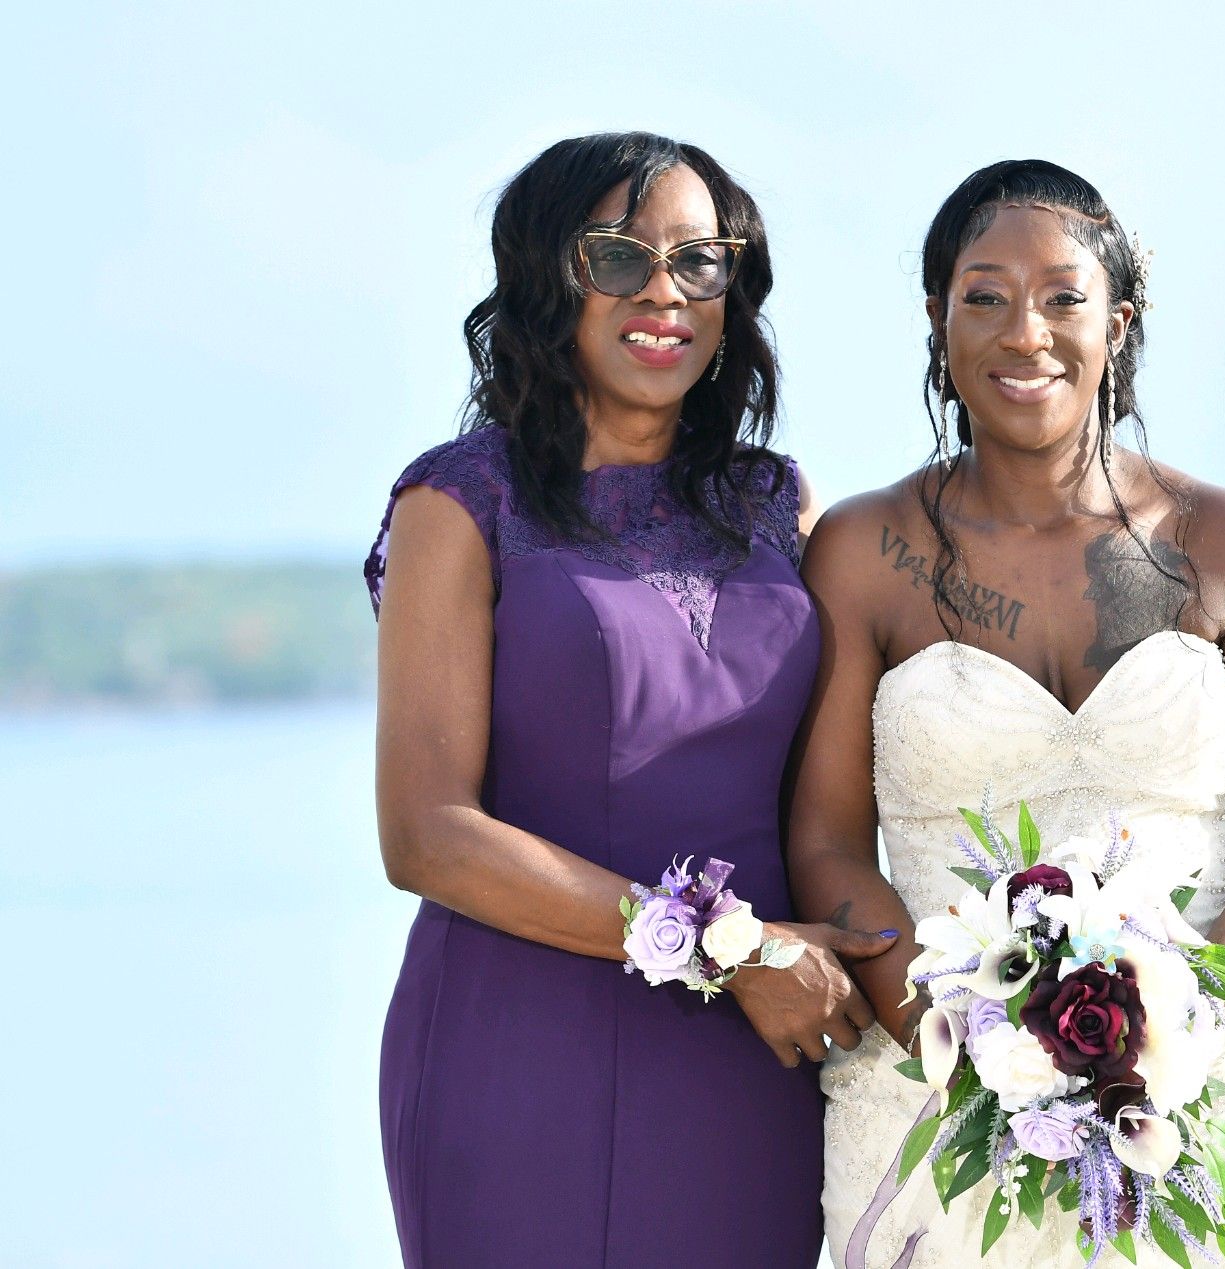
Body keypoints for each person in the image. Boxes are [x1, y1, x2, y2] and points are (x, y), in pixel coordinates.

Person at [790, 160, 1225, 1266]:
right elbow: (820, 839)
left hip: (1220, 1094)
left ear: (1118, 322)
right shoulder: (860, 553)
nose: (1025, 332)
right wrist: (966, 1043)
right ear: (935, 317)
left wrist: (1175, 1032)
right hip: (935, 1092)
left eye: (1062, 296)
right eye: (985, 295)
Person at [364, 131, 892, 1268]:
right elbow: (426, 837)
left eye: (698, 262)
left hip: (764, 1062)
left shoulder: (777, 503)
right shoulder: (459, 505)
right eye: (618, 257)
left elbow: (874, 768)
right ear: (546, 279)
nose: (664, 293)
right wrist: (730, 949)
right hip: (521, 1051)